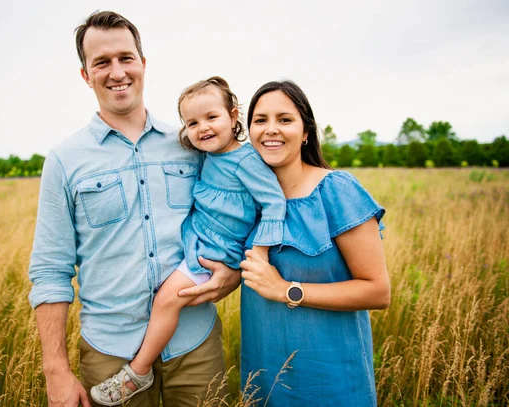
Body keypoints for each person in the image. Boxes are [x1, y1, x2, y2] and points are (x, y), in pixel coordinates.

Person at [28, 11, 240, 407]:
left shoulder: (192, 145)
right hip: (109, 353)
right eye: (101, 62)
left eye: (126, 58)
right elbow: (50, 270)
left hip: (195, 346)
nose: (116, 72)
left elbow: (233, 216)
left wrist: (234, 274)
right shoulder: (64, 160)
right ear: (85, 74)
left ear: (143, 64)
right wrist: (55, 369)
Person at [90, 76, 286, 405]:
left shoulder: (247, 160)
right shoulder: (208, 156)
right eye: (192, 122)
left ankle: (137, 372)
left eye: (212, 117)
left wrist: (259, 252)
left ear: (234, 116)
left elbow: (274, 202)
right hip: (198, 242)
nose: (202, 128)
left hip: (214, 252)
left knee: (167, 299)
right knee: (166, 297)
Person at [239, 80, 391, 406]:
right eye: (260, 120)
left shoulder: (336, 190)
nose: (271, 130)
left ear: (306, 131)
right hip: (264, 373)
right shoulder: (247, 200)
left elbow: (378, 291)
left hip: (330, 379)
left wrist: (286, 290)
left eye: (285, 119)